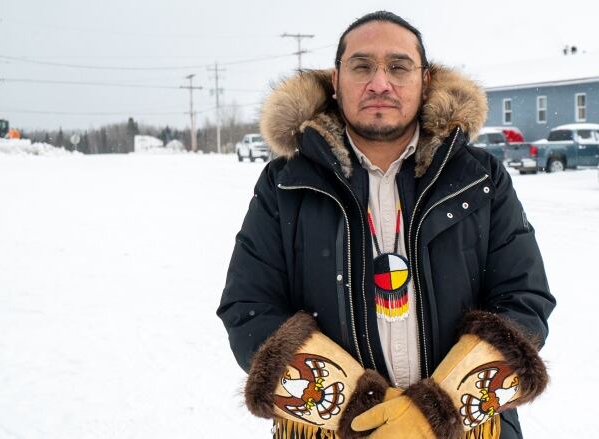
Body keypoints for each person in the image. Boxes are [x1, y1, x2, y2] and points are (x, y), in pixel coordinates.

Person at [217, 10, 556, 439]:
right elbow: (249, 309)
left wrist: (435, 412)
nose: (380, 83)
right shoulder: (285, 182)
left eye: (398, 66)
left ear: (425, 80)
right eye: (362, 66)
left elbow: (524, 301)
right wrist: (361, 412)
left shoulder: (479, 176)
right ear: (336, 82)